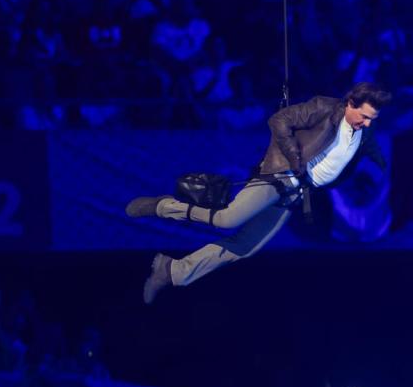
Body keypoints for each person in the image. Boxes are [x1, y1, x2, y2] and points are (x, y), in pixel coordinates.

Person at [126, 82, 392, 304]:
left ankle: (171, 271)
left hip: (295, 193)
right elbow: (279, 121)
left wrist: (381, 164)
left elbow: (369, 146)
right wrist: (294, 159)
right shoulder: (325, 107)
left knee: (244, 247)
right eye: (365, 116)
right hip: (279, 175)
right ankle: (163, 207)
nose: (367, 123)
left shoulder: (364, 131)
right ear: (351, 103)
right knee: (227, 219)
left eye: (372, 119)